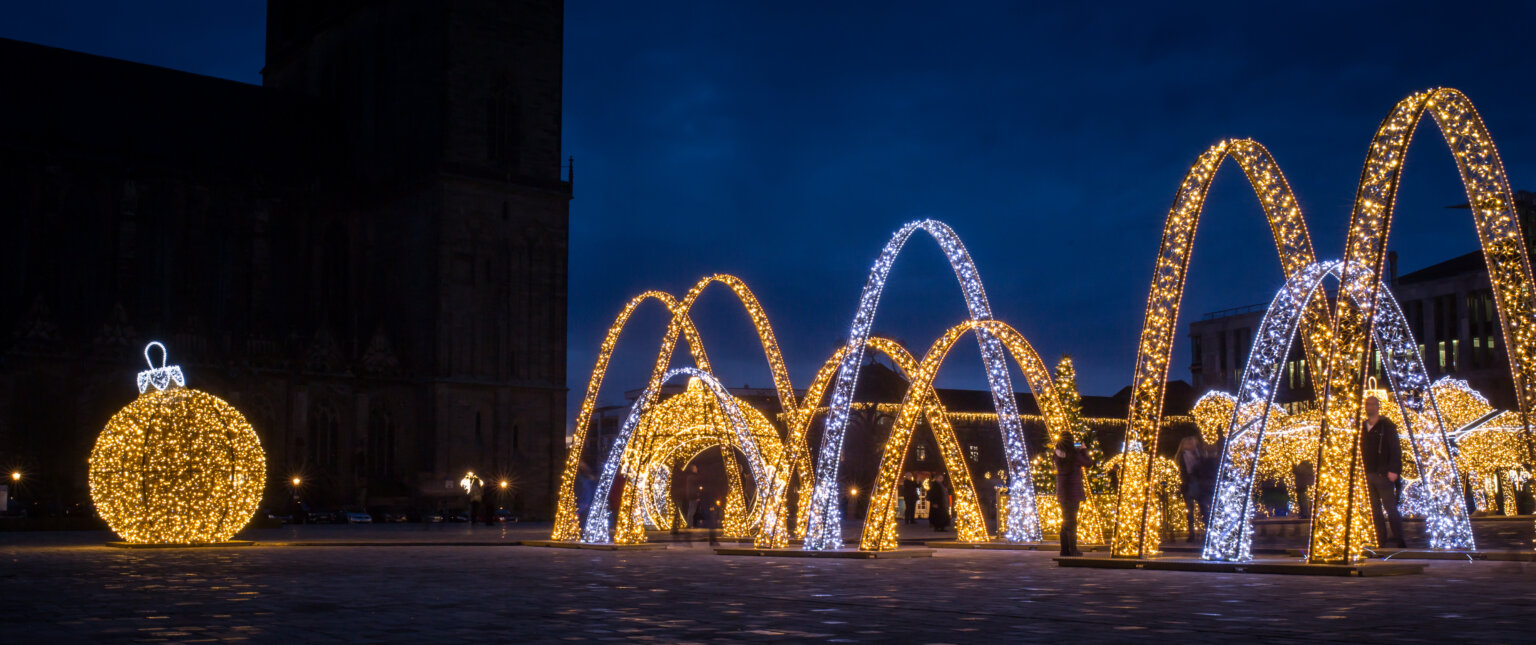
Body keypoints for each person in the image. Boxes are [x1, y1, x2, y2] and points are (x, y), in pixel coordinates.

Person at [1361, 396, 1407, 548]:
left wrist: (1394, 469)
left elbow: (1395, 449)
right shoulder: (1362, 426)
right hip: (1368, 473)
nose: (1370, 407)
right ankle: (1381, 539)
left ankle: (1399, 539)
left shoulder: (1387, 426)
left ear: (1378, 407)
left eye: (1373, 404)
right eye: (1368, 404)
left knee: (1390, 508)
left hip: (1383, 473)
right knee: (1375, 510)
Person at [1055, 434, 1093, 556]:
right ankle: (1073, 549)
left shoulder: (1056, 455)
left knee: (1066, 520)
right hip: (1073, 492)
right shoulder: (1075, 456)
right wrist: (1083, 450)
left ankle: (1064, 549)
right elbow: (1088, 463)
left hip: (1062, 492)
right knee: (1072, 521)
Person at [1176, 436, 1205, 542]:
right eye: (1189, 444)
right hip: (1189, 485)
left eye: (1193, 444)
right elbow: (1184, 472)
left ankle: (1205, 531)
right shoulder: (1182, 457)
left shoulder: (1199, 455)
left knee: (1203, 508)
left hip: (1200, 485)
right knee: (1190, 510)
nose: (1192, 446)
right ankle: (1191, 533)